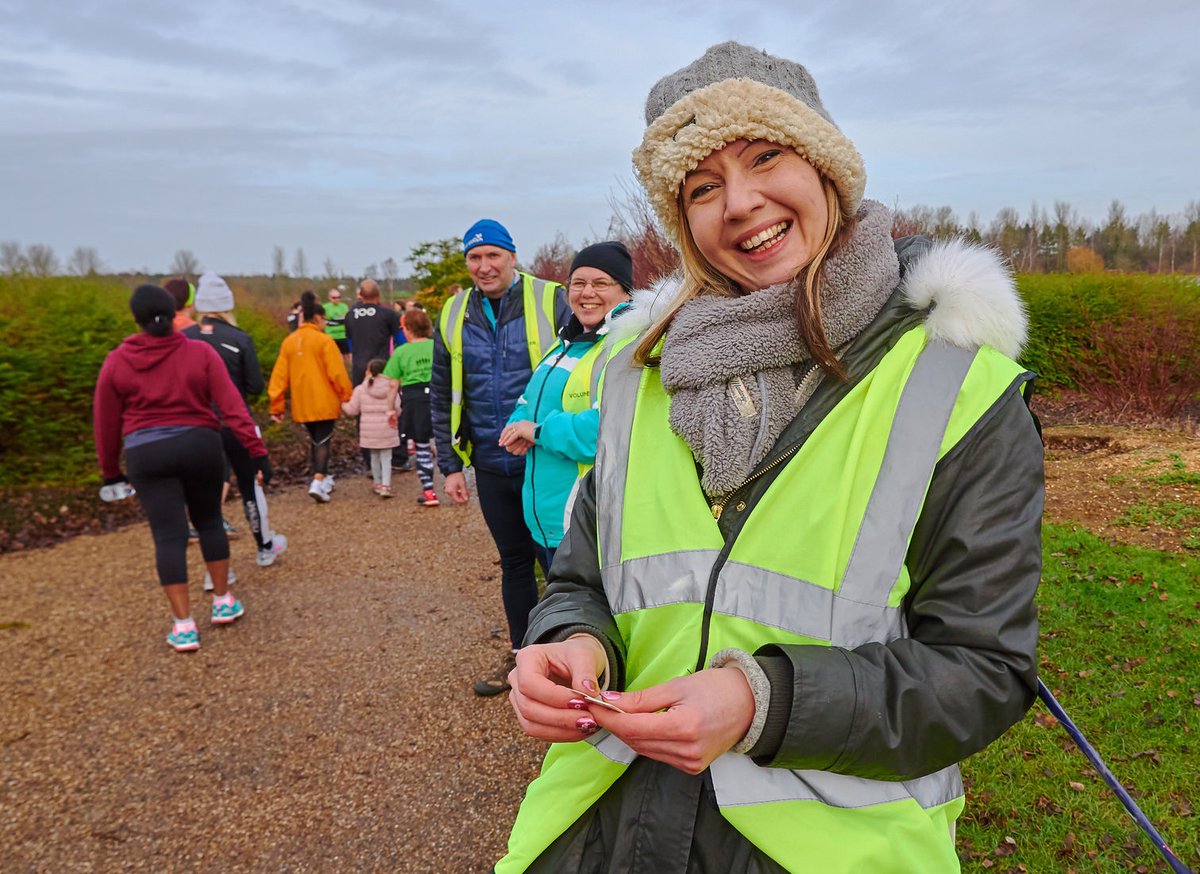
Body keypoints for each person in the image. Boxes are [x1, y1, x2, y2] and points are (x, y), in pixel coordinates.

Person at [499, 41, 1043, 873]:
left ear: (825, 167)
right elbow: (583, 580)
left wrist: (762, 700)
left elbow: (981, 670)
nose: (741, 203)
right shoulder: (635, 378)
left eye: (765, 157)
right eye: (702, 186)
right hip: (598, 834)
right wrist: (573, 643)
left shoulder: (958, 386)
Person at [431, 219, 571, 695]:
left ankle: (571, 656)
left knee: (561, 562)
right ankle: (521, 657)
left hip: (545, 459)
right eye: (475, 257)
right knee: (513, 562)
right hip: (490, 462)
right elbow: (440, 392)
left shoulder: (551, 298)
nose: (484, 266)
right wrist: (449, 465)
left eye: (494, 255)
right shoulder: (452, 312)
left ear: (513, 256)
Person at [93, 284, 268, 652]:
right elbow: (233, 407)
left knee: (168, 535)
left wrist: (111, 471)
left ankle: (184, 625)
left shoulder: (117, 360)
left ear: (136, 318)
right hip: (200, 445)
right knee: (208, 521)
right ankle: (222, 601)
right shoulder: (199, 353)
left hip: (146, 453)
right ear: (175, 313)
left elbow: (105, 423)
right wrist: (256, 451)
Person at [498, 242, 635, 572]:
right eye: (578, 283)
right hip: (550, 522)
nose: (587, 292)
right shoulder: (563, 346)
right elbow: (527, 402)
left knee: (589, 621)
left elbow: (602, 432)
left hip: (589, 524)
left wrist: (538, 432)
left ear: (626, 293)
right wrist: (517, 426)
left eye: (601, 283)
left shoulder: (626, 347)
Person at [183, 272, 288, 569]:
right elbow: (255, 387)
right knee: (249, 485)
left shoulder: (184, 338)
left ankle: (213, 572)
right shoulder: (240, 338)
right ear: (227, 305)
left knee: (207, 493)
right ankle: (264, 547)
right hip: (235, 423)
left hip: (198, 427)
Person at [268, 290, 353, 503]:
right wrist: (347, 395)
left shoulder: (290, 342)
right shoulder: (324, 341)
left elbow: (279, 377)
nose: (325, 322)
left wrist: (276, 406)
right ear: (317, 318)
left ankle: (322, 476)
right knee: (323, 440)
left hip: (302, 403)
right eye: (324, 319)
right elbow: (337, 373)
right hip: (323, 401)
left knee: (315, 440)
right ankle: (318, 479)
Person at [383, 307, 437, 506]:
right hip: (439, 396)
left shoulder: (401, 352)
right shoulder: (437, 346)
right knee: (445, 441)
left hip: (414, 401)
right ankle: (457, 483)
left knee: (422, 446)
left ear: (407, 330)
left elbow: (392, 384)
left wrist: (390, 409)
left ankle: (430, 491)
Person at [341, 358, 399, 498]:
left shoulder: (361, 389)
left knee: (374, 455)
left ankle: (377, 483)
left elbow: (352, 410)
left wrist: (341, 404)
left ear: (368, 371)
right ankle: (386, 485)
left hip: (369, 431)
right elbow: (398, 408)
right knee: (386, 457)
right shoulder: (392, 387)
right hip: (387, 428)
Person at [345, 279, 399, 386]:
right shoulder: (388, 314)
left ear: (360, 295)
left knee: (361, 399)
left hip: (359, 368)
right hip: (383, 367)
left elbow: (349, 341)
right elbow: (400, 340)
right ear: (378, 294)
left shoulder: (350, 315)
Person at [324, 287, 351, 367]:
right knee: (330, 356)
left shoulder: (344, 306)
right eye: (334, 297)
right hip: (330, 336)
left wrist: (332, 320)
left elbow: (345, 319)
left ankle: (348, 371)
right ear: (329, 297)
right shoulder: (325, 307)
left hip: (342, 335)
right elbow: (325, 321)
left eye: (339, 297)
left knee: (346, 355)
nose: (337, 299)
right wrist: (338, 320)